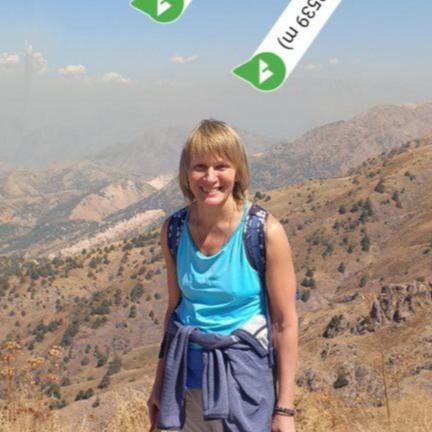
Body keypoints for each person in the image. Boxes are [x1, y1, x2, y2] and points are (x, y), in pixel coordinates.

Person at [147, 119, 298, 432]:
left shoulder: (263, 232)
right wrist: (159, 385)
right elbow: (173, 311)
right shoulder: (174, 231)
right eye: (200, 167)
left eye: (221, 166)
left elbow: (284, 323)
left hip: (245, 381)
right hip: (185, 382)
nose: (210, 178)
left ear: (238, 171)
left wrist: (285, 409)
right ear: (186, 174)